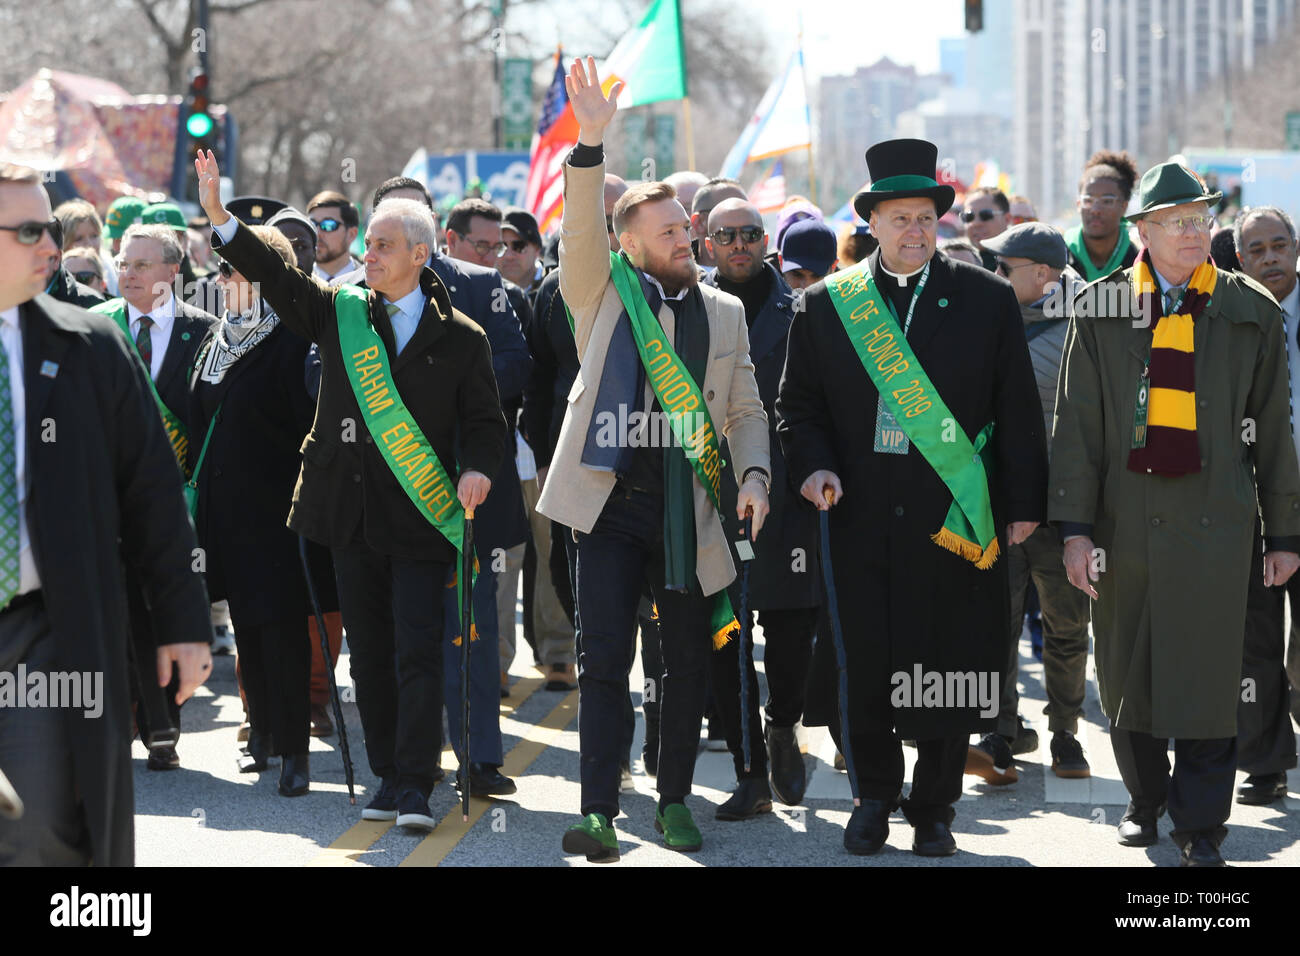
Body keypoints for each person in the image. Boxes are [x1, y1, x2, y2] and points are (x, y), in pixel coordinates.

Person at [197, 150, 506, 833]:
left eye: (385, 245)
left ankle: (419, 783)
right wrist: (221, 219)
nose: (369, 254)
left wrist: (479, 467)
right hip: (350, 516)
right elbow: (277, 274)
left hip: (424, 518)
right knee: (367, 657)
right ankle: (389, 774)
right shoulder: (340, 312)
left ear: (422, 253)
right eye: (367, 243)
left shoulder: (463, 340)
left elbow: (486, 425)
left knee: (417, 652)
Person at [776, 137, 1047, 858]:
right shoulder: (828, 306)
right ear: (872, 223)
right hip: (858, 516)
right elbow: (796, 409)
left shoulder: (986, 299)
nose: (915, 231)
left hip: (955, 516)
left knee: (946, 664)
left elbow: (1018, 408)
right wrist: (812, 468)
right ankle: (872, 799)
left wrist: (1023, 503)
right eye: (900, 218)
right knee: (864, 663)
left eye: (925, 217)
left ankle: (933, 807)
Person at [540, 58, 770, 862]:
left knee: (681, 665)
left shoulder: (727, 311)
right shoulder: (599, 294)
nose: (689, 238)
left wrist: (752, 476)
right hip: (607, 501)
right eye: (670, 231)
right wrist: (591, 142)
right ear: (630, 244)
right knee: (603, 658)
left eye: (687, 228)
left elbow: (744, 409)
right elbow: (577, 233)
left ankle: (674, 803)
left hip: (691, 505)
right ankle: (598, 809)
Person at [1051, 162, 1300, 866]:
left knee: (1208, 674)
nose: (1195, 233)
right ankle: (1143, 802)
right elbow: (1077, 428)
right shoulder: (1100, 308)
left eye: (1201, 219)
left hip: (1218, 527)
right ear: (1145, 232)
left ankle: (1200, 826)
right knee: (1128, 670)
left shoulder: (1250, 308)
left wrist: (1283, 532)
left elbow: (1274, 433)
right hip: (1121, 529)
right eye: (1178, 222)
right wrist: (1073, 531)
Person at [0, 163, 212, 865]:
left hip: (38, 632)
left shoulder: (90, 346)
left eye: (53, 230)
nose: (51, 248)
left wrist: (183, 625)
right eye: (30, 230)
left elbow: (151, 494)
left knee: (42, 828)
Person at [701, 197, 820, 817]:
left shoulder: (801, 311)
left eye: (750, 233)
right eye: (727, 235)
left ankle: (783, 724)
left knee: (793, 629)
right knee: (726, 631)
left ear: (767, 240)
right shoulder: (687, 307)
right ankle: (748, 770)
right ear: (706, 242)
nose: (739, 244)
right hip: (710, 495)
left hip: (788, 495)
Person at [188, 226, 316, 795]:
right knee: (247, 628)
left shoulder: (292, 339)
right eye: (219, 272)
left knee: (282, 629)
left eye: (232, 272)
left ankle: (294, 752)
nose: (221, 281)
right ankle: (261, 733)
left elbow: (307, 425)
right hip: (225, 512)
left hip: (278, 512)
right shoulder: (217, 338)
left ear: (264, 277)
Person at [967, 222, 1091, 784]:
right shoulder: (988, 321)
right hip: (997, 503)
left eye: (1005, 266)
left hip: (1064, 510)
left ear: (1043, 275)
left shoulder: (1088, 326)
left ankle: (1065, 731)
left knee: (1066, 625)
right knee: (996, 623)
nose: (994, 275)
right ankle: (1002, 731)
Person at [94, 222, 218, 770]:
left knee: (165, 606)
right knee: (116, 612)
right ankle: (127, 722)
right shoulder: (94, 329)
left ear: (173, 270)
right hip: (103, 503)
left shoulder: (206, 333)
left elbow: (214, 422)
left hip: (178, 504)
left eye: (142, 265)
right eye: (122, 263)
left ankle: (163, 724)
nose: (129, 273)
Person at [439, 194, 531, 790]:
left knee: (472, 626)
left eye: (500, 245)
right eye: (483, 244)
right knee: (407, 632)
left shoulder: (485, 289)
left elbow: (516, 364)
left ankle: (480, 757)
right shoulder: (356, 295)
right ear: (448, 239)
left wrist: (445, 392)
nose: (494, 255)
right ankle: (406, 760)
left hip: (470, 486)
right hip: (395, 491)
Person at [524, 174, 629, 693]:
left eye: (612, 221)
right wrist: (544, 459)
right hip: (572, 467)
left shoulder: (666, 286)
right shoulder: (549, 291)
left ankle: (654, 726)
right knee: (574, 586)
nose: (602, 233)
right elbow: (539, 382)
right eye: (589, 220)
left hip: (646, 467)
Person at [1232, 204, 1300, 805]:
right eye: (1257, 250)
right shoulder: (1226, 318)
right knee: (1254, 640)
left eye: (1280, 245)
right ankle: (1266, 762)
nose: (1271, 257)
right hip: (1251, 503)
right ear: (1239, 260)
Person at [1066, 149, 1140, 282]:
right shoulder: (1060, 254)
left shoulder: (1139, 260)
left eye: (1107, 201)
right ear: (1078, 204)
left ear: (1124, 206)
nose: (1095, 210)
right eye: (1088, 201)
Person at [306, 190, 362, 284]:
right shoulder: (297, 283)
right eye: (312, 224)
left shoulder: (372, 284)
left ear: (351, 234)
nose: (317, 233)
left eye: (328, 225)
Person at [690, 178, 746, 269]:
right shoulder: (674, 280)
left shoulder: (772, 276)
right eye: (730, 213)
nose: (744, 221)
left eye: (747, 213)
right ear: (699, 222)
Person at [778, 217, 838, 290]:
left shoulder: (849, 300)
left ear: (834, 266)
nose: (806, 287)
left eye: (816, 275)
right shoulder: (764, 298)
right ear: (781, 262)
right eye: (797, 274)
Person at [958, 186, 1010, 270]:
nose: (975, 223)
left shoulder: (1022, 261)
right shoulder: (954, 262)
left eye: (986, 215)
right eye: (969, 216)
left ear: (1007, 219)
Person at [498, 207, 543, 294]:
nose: (509, 256)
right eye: (500, 247)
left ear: (537, 249)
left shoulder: (556, 288)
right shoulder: (484, 290)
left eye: (519, 246)